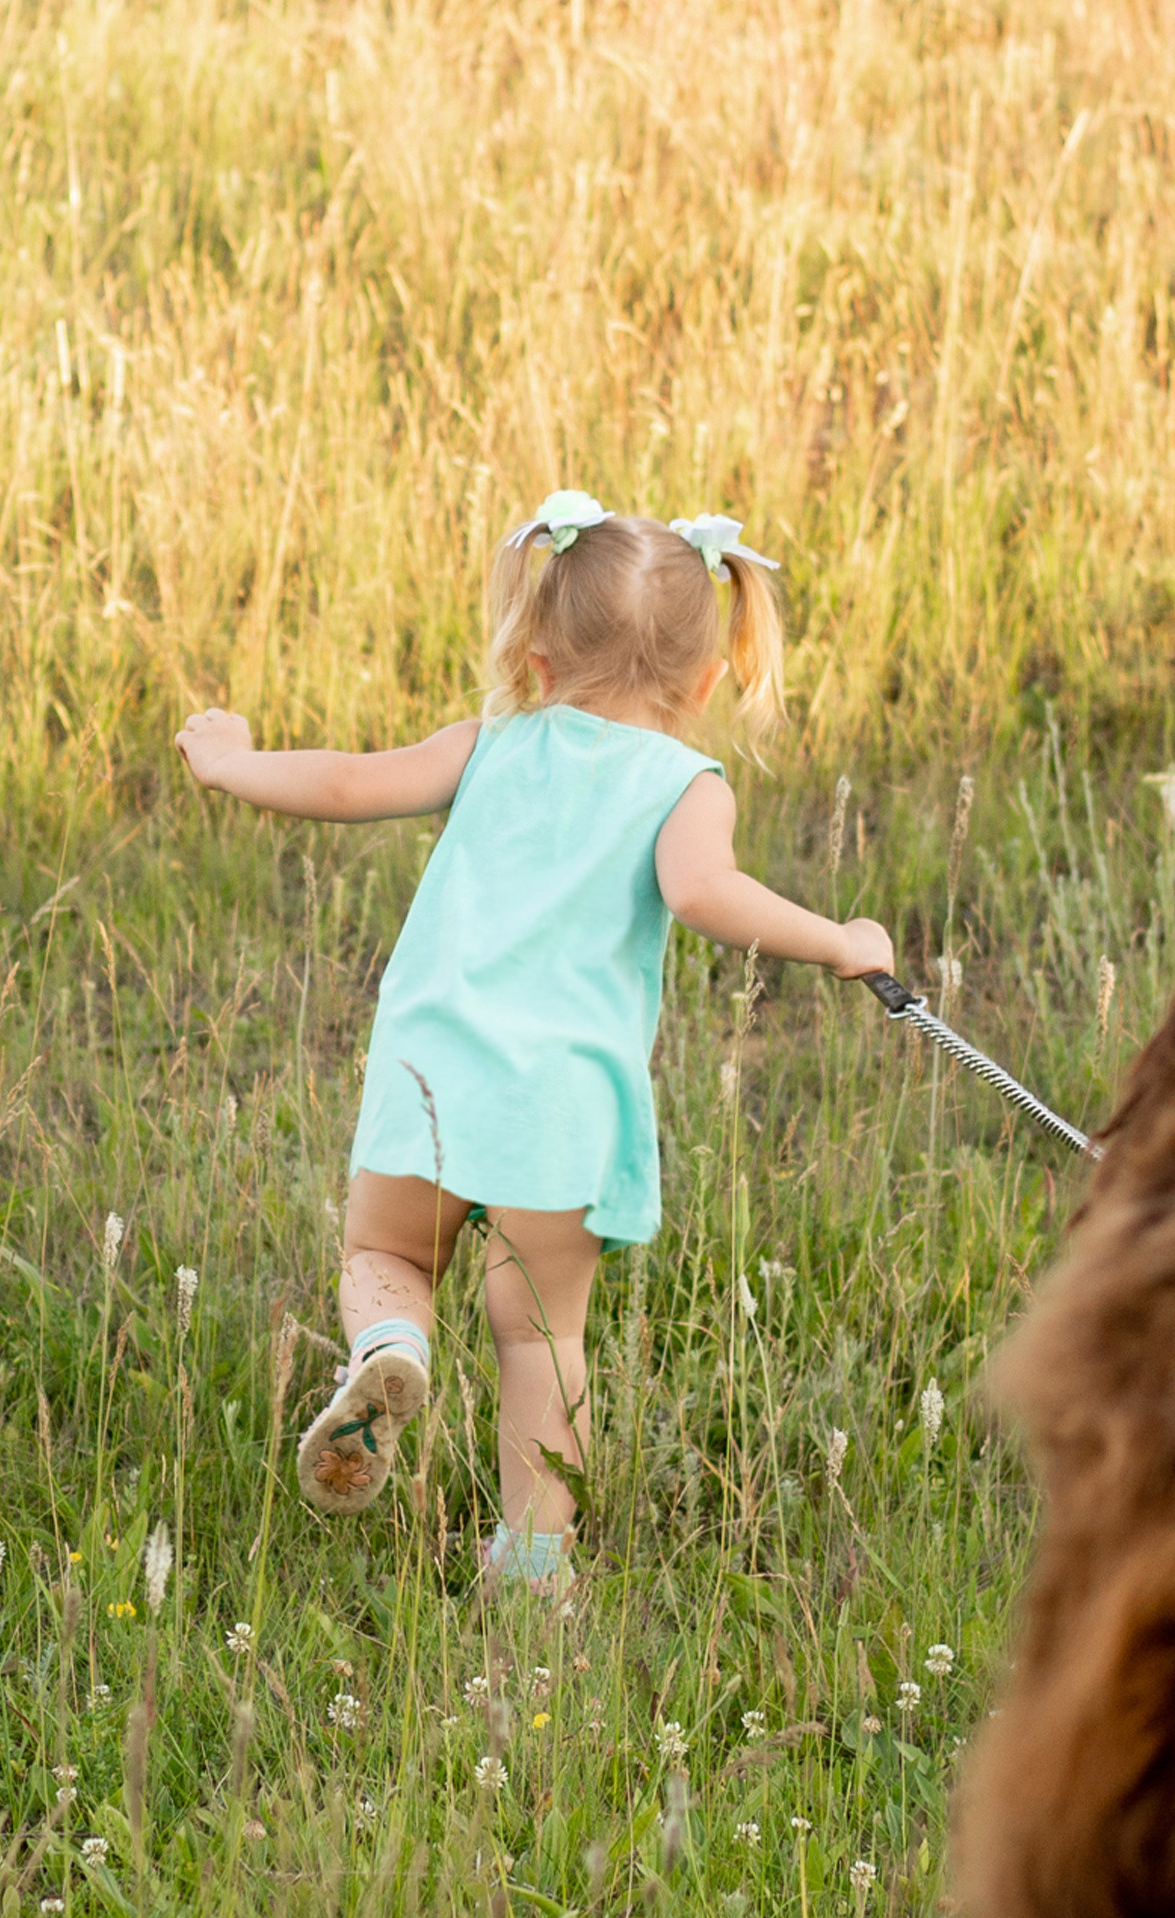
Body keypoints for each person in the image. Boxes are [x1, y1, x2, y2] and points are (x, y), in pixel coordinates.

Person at [177, 491, 891, 1583]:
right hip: (560, 1105)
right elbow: (705, 893)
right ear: (707, 680)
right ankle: (531, 1570)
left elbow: (349, 780)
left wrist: (233, 760)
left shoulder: (490, 743)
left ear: (540, 655)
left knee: (386, 1256)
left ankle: (392, 1345)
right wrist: (839, 941)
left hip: (431, 1072)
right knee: (541, 1339)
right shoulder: (685, 785)